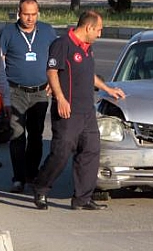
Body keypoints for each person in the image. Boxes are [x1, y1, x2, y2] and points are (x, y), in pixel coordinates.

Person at [33, 11, 125, 211]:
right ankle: (41, 187)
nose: (100, 34)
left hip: (87, 111)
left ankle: (82, 198)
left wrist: (107, 89)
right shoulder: (62, 44)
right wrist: (60, 98)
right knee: (61, 153)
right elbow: (51, 71)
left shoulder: (87, 48)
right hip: (68, 111)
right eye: (99, 30)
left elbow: (89, 74)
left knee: (90, 151)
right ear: (89, 27)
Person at [0, 0, 57, 193]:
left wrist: (53, 82)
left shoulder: (47, 31)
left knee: (36, 135)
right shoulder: (8, 32)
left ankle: (32, 174)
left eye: (33, 14)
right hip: (16, 91)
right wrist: (3, 90)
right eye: (26, 14)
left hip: (40, 91)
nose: (30, 18)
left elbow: (56, 59)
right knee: (16, 134)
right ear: (18, 12)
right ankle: (18, 178)